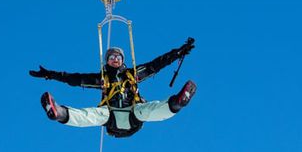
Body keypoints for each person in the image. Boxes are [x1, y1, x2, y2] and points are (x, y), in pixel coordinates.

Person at [29, 38, 197, 138]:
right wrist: (50, 74)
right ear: (107, 61)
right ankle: (59, 113)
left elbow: (157, 64)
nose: (115, 60)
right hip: (111, 118)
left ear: (122, 60)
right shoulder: (102, 78)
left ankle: (177, 102)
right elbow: (74, 79)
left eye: (118, 57)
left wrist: (179, 52)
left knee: (147, 109)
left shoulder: (133, 74)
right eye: (111, 57)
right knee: (93, 115)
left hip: (133, 115)